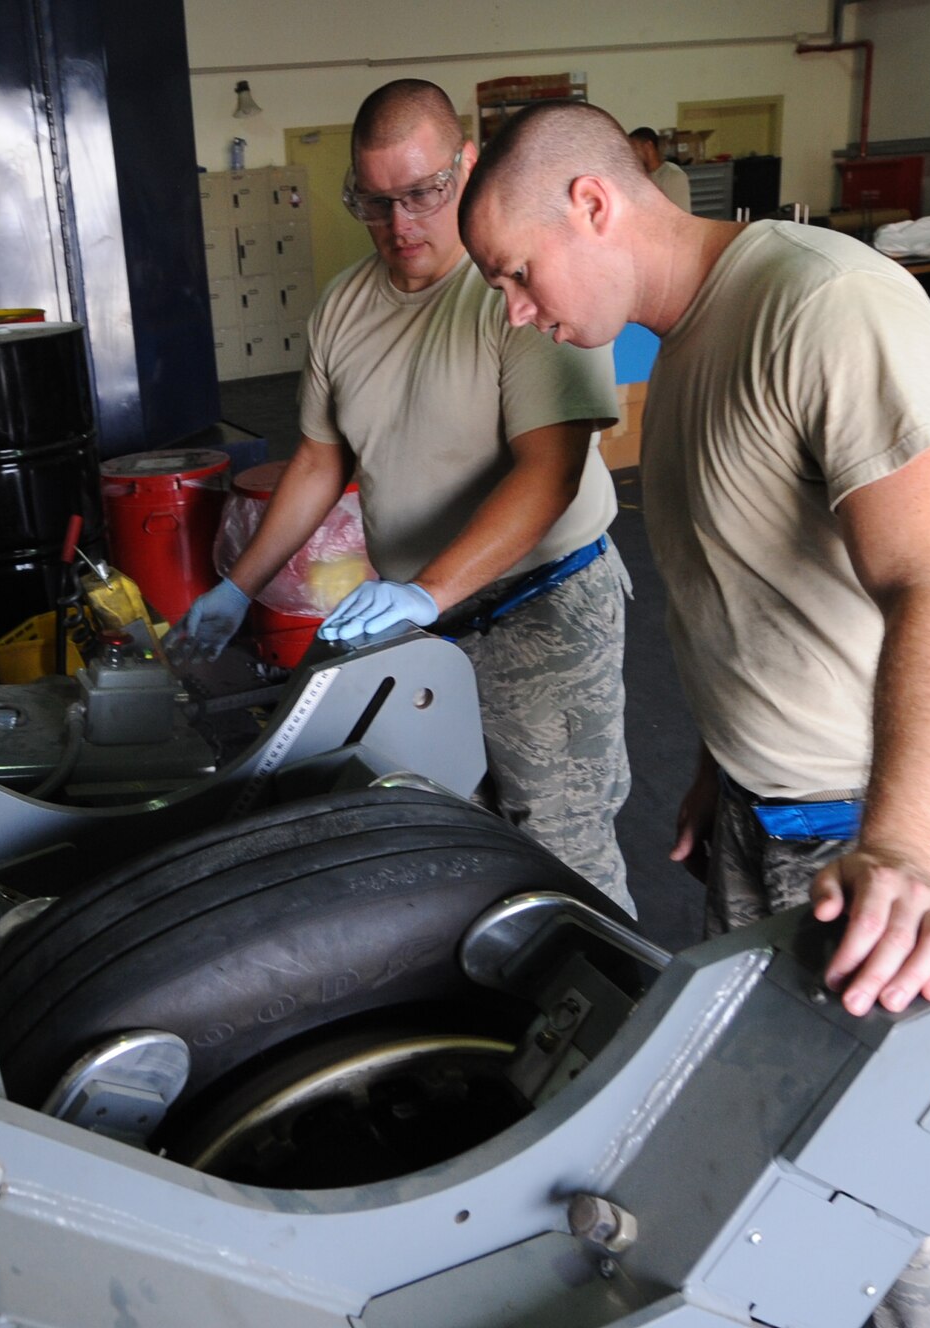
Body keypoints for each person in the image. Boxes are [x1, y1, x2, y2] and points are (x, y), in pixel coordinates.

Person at [458, 101, 930, 1328]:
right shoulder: (683, 347)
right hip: (771, 830)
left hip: (905, 850)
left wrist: (901, 855)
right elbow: (756, 595)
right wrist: (721, 762)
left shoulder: (823, 303)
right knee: (789, 1199)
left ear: (591, 203)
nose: (514, 309)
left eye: (514, 273)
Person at [171, 79, 635, 910]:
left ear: (467, 165)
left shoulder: (521, 288)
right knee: (448, 839)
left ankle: (610, 989)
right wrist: (238, 587)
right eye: (375, 203)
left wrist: (426, 590)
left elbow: (549, 473)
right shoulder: (344, 307)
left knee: (562, 852)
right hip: (425, 626)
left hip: (539, 611)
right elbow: (320, 460)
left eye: (423, 193)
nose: (401, 224)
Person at [627, 127, 693, 212]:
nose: (632, 154)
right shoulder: (640, 176)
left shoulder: (673, 176)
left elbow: (680, 216)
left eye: (634, 148)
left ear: (648, 146)